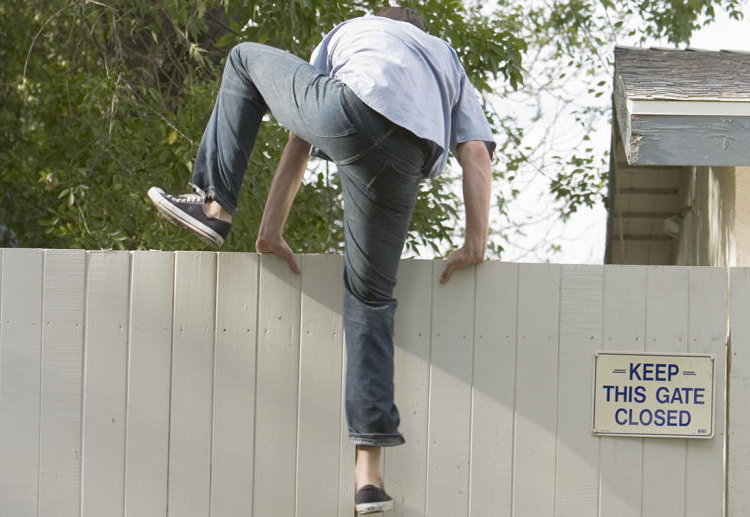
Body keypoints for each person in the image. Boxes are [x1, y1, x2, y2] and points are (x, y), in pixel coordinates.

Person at [146, 6, 494, 514]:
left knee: (243, 59)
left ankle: (214, 204)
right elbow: (476, 156)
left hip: (348, 111)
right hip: (409, 154)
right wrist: (474, 241)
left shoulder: (352, 31)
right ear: (422, 32)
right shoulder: (445, 58)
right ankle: (368, 478)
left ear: (382, 19)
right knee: (371, 301)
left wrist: (270, 229)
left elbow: (301, 135)